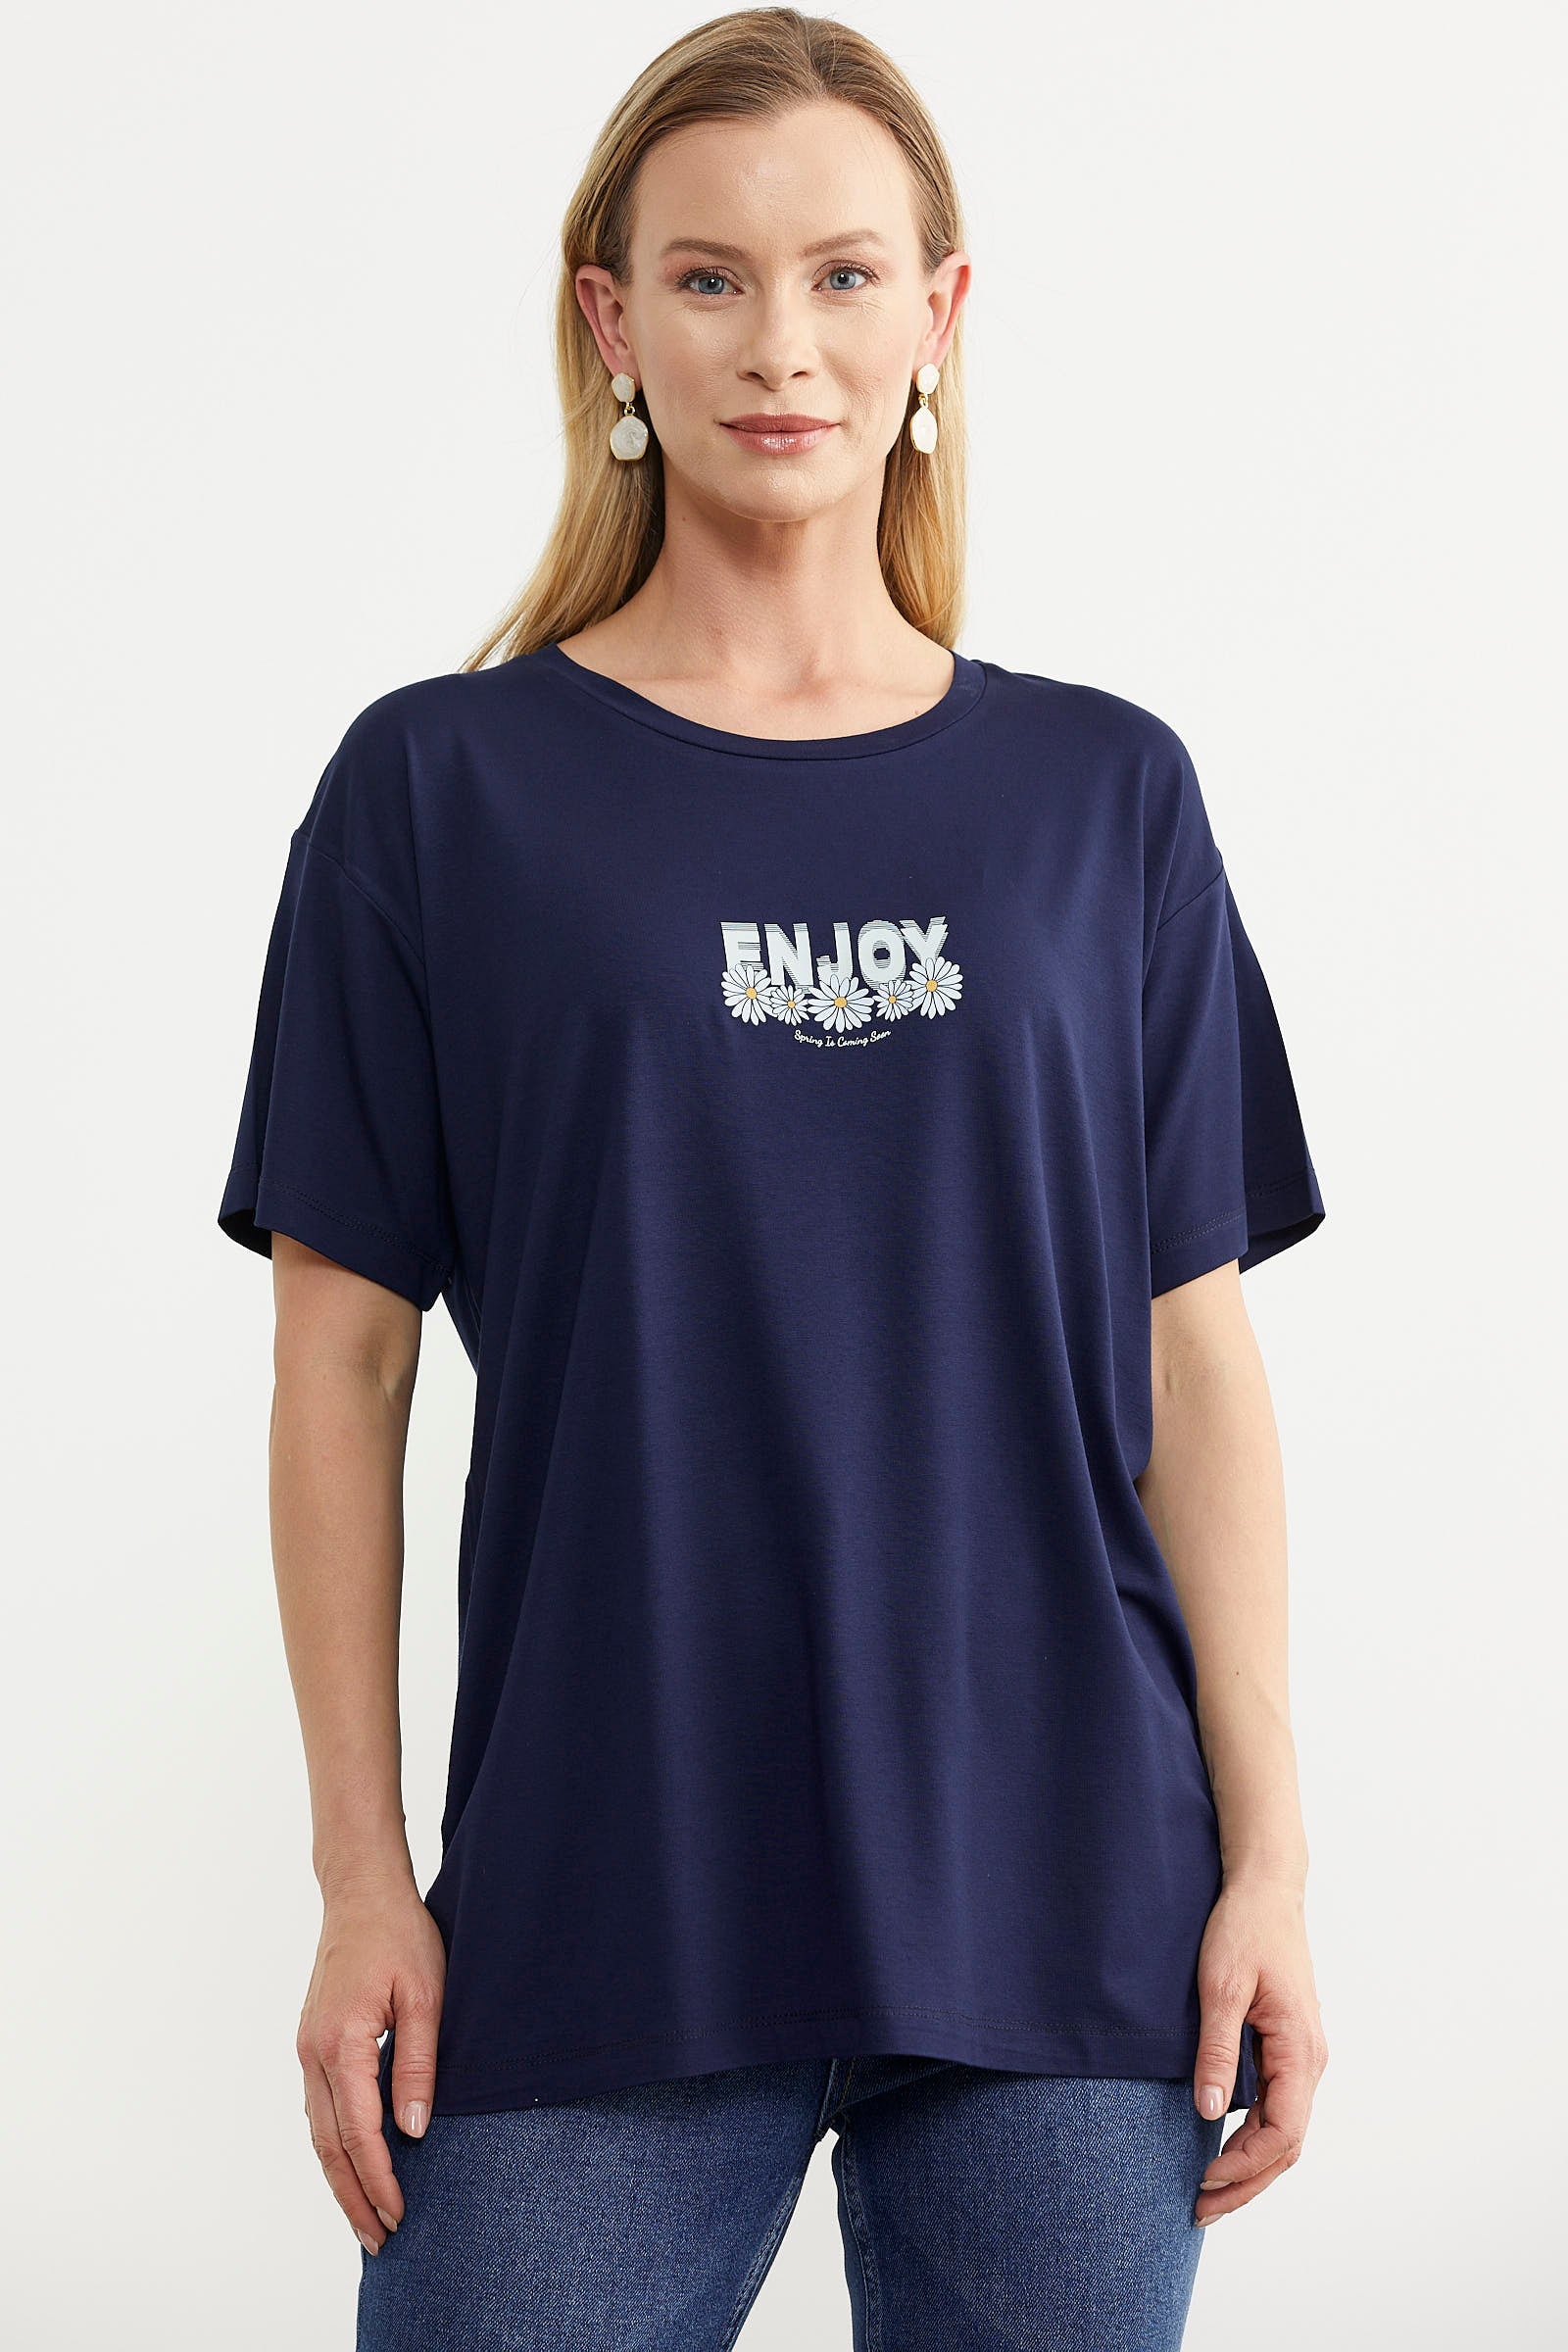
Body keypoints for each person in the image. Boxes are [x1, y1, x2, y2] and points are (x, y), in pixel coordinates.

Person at [216, 12, 1330, 2346]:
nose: (780, 343)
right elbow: (341, 1365)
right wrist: (359, 1878)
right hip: (598, 1897)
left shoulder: (1101, 800)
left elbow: (1189, 1361)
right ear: (611, 322)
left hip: (1063, 1910)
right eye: (707, 279)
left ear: (939, 311)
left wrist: (1270, 1862)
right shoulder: (439, 793)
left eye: (842, 274)